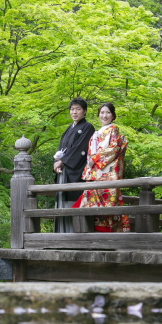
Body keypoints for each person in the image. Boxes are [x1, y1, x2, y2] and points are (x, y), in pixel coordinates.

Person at [75, 102, 130, 232]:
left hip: (106, 171)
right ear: (98, 115)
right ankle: (94, 231)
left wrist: (95, 159)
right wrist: (91, 162)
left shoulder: (113, 129)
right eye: (102, 113)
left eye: (108, 112)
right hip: (96, 171)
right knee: (91, 200)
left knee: (108, 201)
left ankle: (110, 232)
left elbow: (114, 149)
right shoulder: (97, 132)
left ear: (113, 115)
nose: (105, 115)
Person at [53, 98, 94, 233]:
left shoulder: (88, 127)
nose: (74, 112)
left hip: (76, 171)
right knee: (61, 202)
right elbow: (60, 149)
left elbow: (80, 148)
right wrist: (56, 163)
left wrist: (63, 161)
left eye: (78, 109)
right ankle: (61, 235)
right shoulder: (68, 129)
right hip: (63, 171)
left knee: (73, 202)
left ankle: (74, 234)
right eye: (72, 109)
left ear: (85, 111)